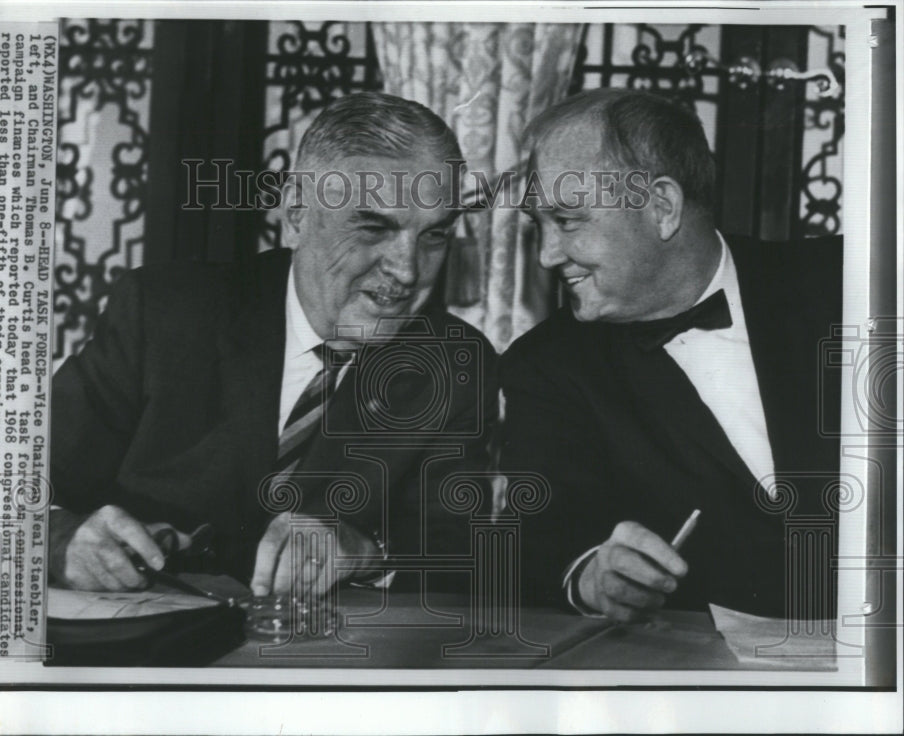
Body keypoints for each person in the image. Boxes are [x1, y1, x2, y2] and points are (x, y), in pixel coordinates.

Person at [49, 91, 498, 598]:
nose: (407, 270)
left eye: (434, 236)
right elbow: (7, 487)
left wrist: (364, 553)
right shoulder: (165, 313)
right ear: (296, 213)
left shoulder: (455, 362)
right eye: (373, 227)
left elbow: (460, 558)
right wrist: (60, 539)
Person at [501, 88, 842, 621]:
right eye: (537, 226)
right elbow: (546, 535)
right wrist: (594, 573)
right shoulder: (545, 367)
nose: (546, 254)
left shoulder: (848, 280)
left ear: (662, 207)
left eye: (567, 221)